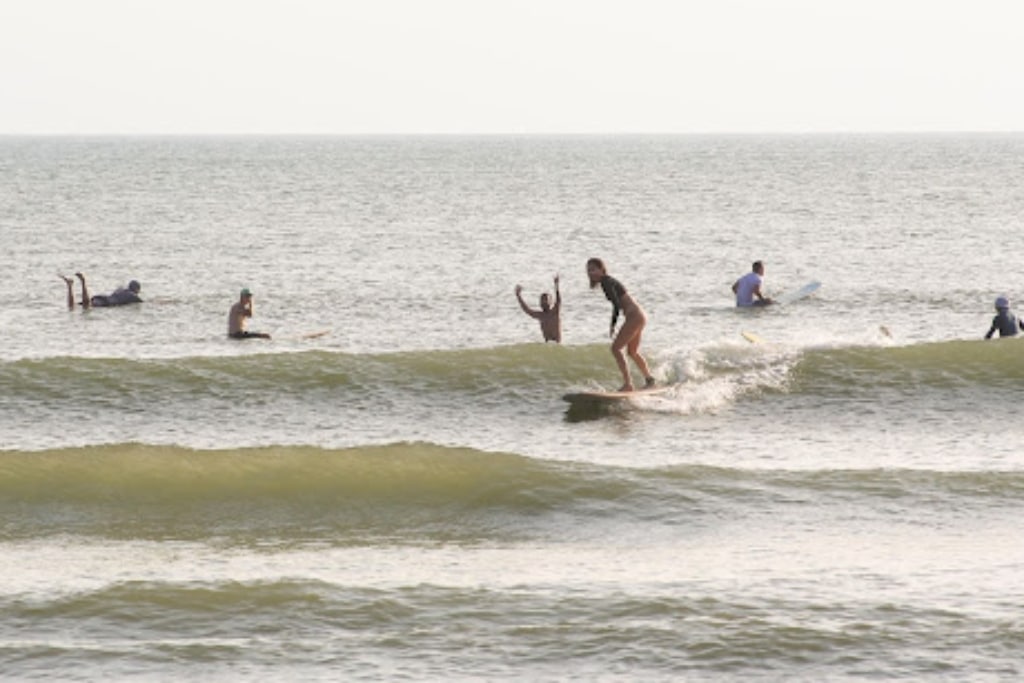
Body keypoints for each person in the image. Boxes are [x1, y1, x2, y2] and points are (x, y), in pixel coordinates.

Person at [586, 257, 655, 392]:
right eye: (588, 271)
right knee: (632, 352)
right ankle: (649, 380)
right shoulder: (607, 281)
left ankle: (628, 384)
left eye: (593, 269)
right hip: (639, 315)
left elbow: (617, 305)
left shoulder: (606, 282)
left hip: (634, 317)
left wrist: (612, 325)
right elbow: (618, 303)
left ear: (601, 269)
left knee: (616, 349)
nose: (590, 273)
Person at [515, 275, 562, 343]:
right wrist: (518, 296)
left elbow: (558, 300)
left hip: (557, 344)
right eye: (542, 300)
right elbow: (527, 310)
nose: (543, 302)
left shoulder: (554, 312)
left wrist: (556, 286)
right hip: (547, 344)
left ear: (550, 302)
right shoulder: (540, 315)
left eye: (545, 300)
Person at [60, 272, 142, 309]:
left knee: (73, 306)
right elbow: (142, 302)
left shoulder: (120, 289)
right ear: (136, 289)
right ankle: (83, 282)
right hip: (106, 303)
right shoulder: (132, 295)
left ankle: (70, 286)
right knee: (86, 306)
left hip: (102, 297)